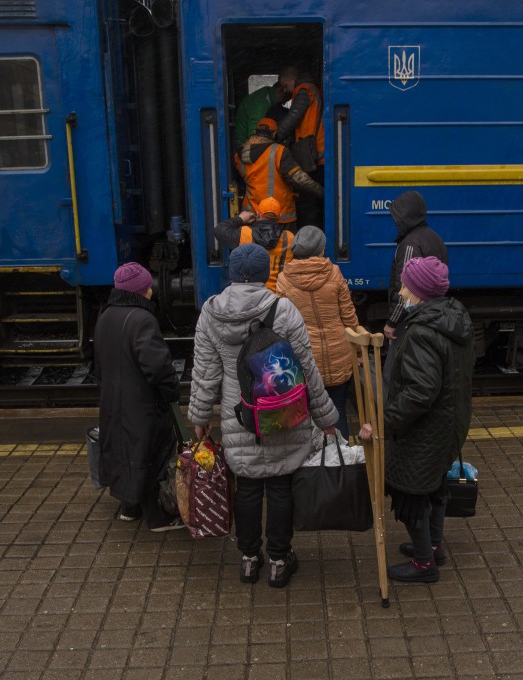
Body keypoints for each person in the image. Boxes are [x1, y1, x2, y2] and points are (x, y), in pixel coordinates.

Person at [188, 243, 339, 588]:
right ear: (264, 273)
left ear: (231, 273)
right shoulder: (283, 310)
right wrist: (326, 418)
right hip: (283, 413)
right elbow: (306, 370)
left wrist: (200, 416)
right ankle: (279, 561)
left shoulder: (211, 312)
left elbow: (205, 372)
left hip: (240, 416)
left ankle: (248, 560)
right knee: (281, 486)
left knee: (248, 487)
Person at [359, 256, 474, 583]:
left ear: (420, 292)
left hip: (426, 430)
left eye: (406, 286)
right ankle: (433, 546)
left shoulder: (422, 331)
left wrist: (382, 424)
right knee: (434, 484)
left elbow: (420, 392)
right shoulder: (452, 319)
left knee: (410, 491)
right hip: (450, 423)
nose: (401, 292)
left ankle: (425, 564)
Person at [93, 262, 183, 531]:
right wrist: (172, 391)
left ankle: (129, 508)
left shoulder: (106, 315)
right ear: (144, 289)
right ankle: (157, 518)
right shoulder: (142, 319)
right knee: (151, 454)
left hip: (114, 401)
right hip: (143, 404)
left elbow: (99, 364)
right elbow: (157, 367)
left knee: (124, 450)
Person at [276, 226, 359, 438]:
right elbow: (349, 316)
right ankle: (341, 455)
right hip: (339, 353)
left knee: (309, 415)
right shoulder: (334, 272)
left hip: (306, 357)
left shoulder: (284, 279)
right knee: (338, 410)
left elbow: (282, 324)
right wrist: (357, 351)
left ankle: (316, 456)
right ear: (321, 249)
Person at [235, 118, 323, 234]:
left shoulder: (239, 154)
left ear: (256, 132)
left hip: (252, 215)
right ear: (274, 134)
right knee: (284, 245)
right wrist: (321, 192)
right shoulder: (279, 151)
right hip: (279, 215)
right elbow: (300, 180)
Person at [383, 190, 448, 343]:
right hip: (432, 315)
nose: (395, 223)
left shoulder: (411, 244)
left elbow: (406, 288)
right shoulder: (434, 237)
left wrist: (393, 322)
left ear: (406, 216)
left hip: (412, 319)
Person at [274, 67, 324, 229]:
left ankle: (310, 234)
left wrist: (277, 134)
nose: (285, 91)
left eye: (286, 86)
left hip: (314, 153)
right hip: (313, 151)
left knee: (308, 199)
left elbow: (294, 116)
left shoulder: (304, 90)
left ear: (292, 80)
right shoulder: (310, 89)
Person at [216, 197, 294, 292]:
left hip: (249, 293)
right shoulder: (289, 237)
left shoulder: (243, 233)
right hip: (277, 294)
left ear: (257, 214)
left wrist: (240, 219)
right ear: (279, 216)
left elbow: (219, 230)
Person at [234, 84, 287, 149]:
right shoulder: (261, 104)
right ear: (281, 91)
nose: (284, 103)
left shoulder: (266, 95)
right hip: (243, 143)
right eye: (286, 98)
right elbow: (254, 135)